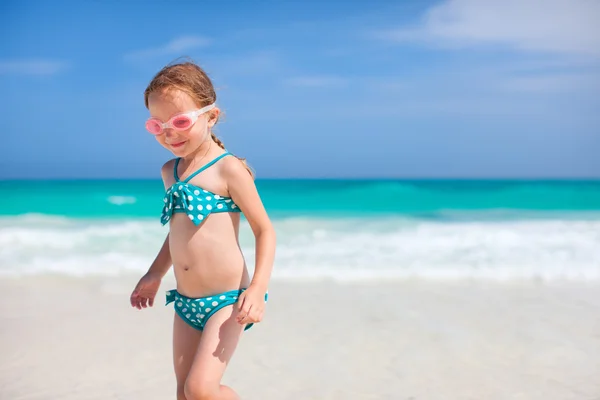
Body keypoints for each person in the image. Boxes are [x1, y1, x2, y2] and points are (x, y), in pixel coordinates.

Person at [129, 60, 276, 400]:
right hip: (185, 302)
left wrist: (257, 289)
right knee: (183, 394)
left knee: (200, 390)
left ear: (210, 116)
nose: (170, 133)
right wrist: (154, 274)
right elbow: (180, 233)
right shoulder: (171, 171)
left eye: (180, 122)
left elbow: (264, 230)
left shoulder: (229, 169)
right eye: (158, 125)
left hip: (228, 301)